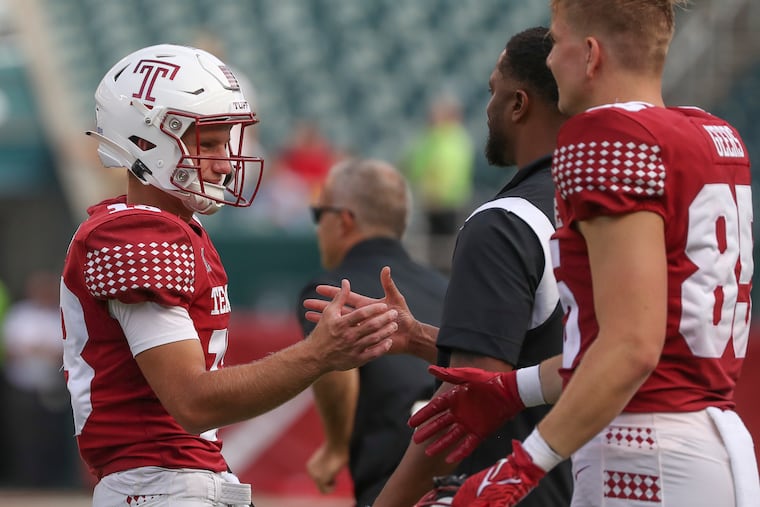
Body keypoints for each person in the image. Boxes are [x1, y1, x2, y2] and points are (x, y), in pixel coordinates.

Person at [409, 2, 760, 506]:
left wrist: (520, 467)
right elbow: (635, 349)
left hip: (642, 458)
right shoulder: (711, 135)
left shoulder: (606, 138)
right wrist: (512, 390)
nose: (550, 61)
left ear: (590, 54)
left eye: (557, 42)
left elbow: (630, 350)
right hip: (711, 448)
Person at [60, 43, 399, 507]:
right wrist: (318, 355)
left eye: (228, 142)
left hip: (178, 481)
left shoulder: (178, 229)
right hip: (157, 484)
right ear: (146, 139)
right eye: (211, 142)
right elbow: (193, 402)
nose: (225, 161)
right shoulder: (135, 233)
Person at [304, 27, 572, 506]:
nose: (486, 109)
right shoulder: (607, 205)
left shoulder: (502, 225)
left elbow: (465, 410)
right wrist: (426, 338)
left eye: (492, 92)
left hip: (517, 491)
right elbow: (568, 358)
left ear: (518, 103)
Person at [296, 158, 448, 507]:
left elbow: (335, 365)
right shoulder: (447, 287)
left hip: (393, 476)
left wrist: (335, 448)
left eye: (320, 216)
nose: (318, 228)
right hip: (462, 471)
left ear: (344, 221)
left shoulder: (332, 290)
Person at [2, 270, 80, 488]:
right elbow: (10, 349)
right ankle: (25, 482)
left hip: (53, 389)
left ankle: (51, 483)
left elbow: (68, 351)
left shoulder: (61, 315)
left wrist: (40, 351)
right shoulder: (19, 314)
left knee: (52, 437)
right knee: (24, 437)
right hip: (22, 387)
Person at [402, 92, 475, 272]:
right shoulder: (452, 138)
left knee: (440, 247)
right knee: (440, 247)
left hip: (442, 201)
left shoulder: (444, 138)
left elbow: (421, 166)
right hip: (443, 201)